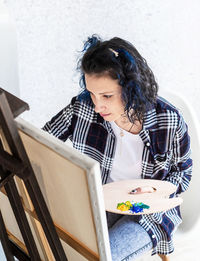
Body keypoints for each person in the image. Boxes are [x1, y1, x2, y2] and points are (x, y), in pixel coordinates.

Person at [42, 34, 192, 261]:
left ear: (132, 88)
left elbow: (183, 172)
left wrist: (155, 190)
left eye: (107, 95)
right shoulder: (82, 108)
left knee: (103, 257)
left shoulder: (169, 120)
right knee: (53, 247)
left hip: (148, 212)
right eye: (92, 94)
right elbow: (42, 141)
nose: (98, 105)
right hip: (98, 203)